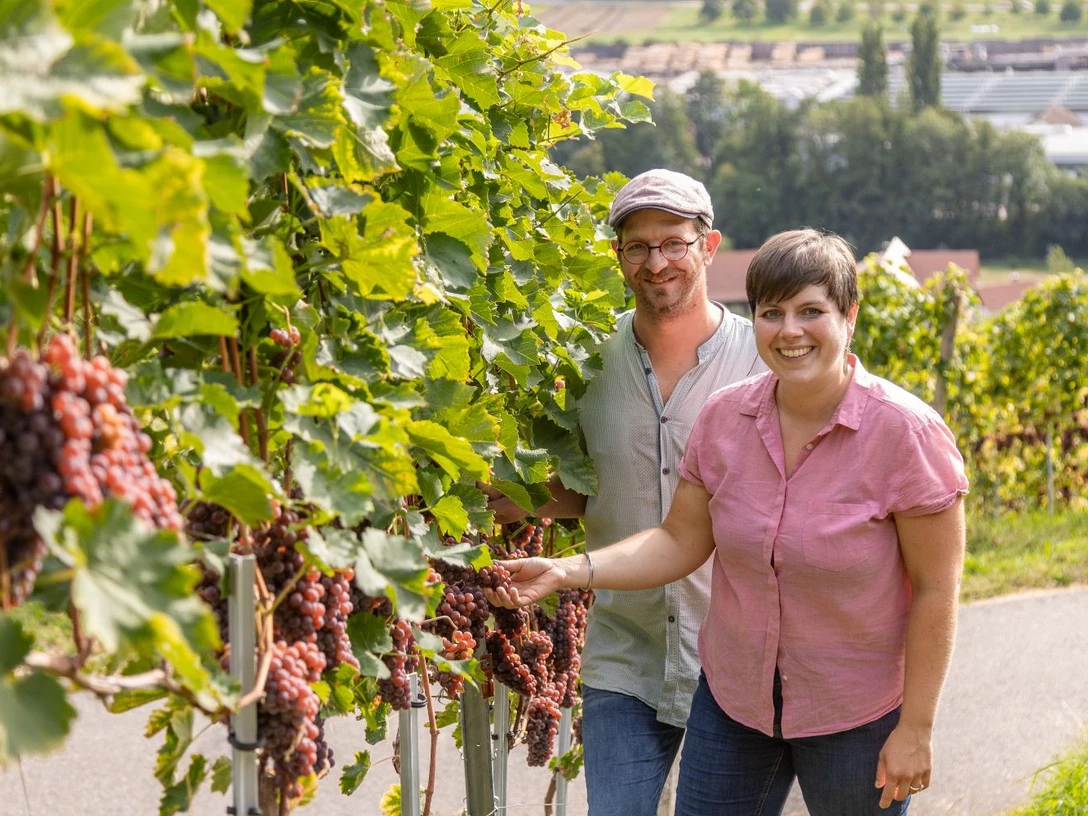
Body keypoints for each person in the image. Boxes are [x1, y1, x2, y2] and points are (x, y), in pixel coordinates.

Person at [487, 228, 969, 815]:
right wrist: (568, 570)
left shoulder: (906, 434)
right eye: (772, 313)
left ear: (850, 316)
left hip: (855, 714)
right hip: (735, 706)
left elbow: (937, 592)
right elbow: (678, 540)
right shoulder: (725, 418)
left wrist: (916, 727)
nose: (789, 330)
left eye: (810, 311)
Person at [486, 169, 765, 815]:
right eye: (637, 246)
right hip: (623, 659)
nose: (655, 261)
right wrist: (509, 496)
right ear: (617, 256)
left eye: (673, 242)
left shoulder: (761, 360)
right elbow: (585, 489)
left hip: (735, 660)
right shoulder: (583, 359)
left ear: (709, 245)